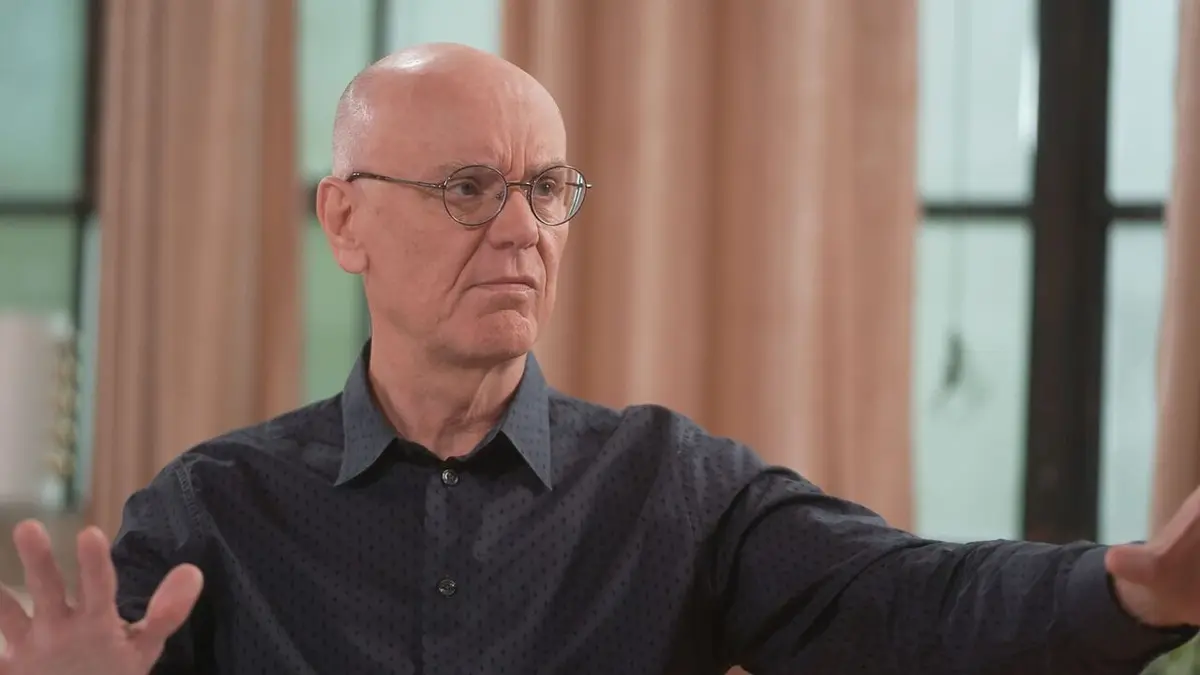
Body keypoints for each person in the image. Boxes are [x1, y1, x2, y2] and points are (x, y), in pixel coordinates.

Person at [0, 42, 1197, 675]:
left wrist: (1135, 589)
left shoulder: (678, 490)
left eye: (546, 188)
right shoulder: (215, 509)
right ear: (346, 220)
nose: (522, 230)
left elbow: (909, 602)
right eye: (468, 188)